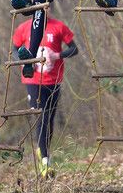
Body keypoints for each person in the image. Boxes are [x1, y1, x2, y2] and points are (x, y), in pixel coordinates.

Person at [12, 15, 78, 177]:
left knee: (49, 119)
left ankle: (43, 150)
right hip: (33, 80)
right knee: (41, 117)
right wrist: (26, 62)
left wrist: (57, 55)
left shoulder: (59, 26)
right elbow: (14, 50)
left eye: (45, 5)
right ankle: (45, 162)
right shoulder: (23, 28)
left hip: (54, 80)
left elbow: (74, 49)